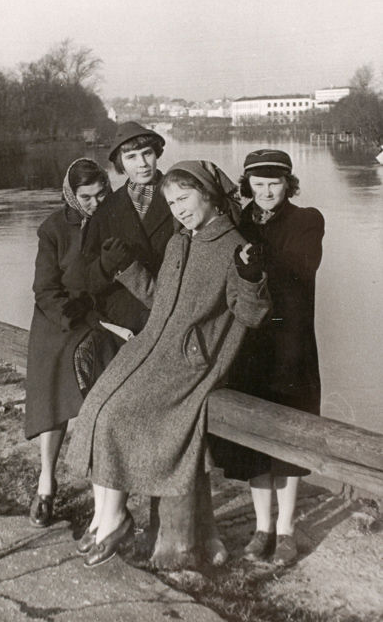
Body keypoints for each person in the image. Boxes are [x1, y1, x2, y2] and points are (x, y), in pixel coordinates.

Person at [65, 160, 271, 568]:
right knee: (97, 406)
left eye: (185, 198)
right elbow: (161, 299)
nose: (178, 208)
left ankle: (115, 519)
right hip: (151, 349)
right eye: (172, 201)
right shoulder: (180, 242)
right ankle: (105, 517)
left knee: (118, 415)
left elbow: (252, 315)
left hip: (190, 362)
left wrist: (250, 278)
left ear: (209, 197)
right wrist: (126, 269)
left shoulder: (235, 248)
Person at [210, 149, 325, 567]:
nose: (266, 192)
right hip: (248, 345)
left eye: (274, 183)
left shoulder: (306, 219)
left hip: (291, 345)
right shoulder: (236, 224)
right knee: (255, 440)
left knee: (290, 436)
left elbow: (302, 267)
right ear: (247, 186)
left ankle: (287, 530)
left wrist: (257, 265)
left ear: (288, 184)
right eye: (257, 185)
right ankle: (262, 527)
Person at [26, 158, 118, 528]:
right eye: (86, 197)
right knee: (51, 382)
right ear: (71, 194)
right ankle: (47, 480)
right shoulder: (53, 228)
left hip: (104, 317)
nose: (95, 203)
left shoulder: (117, 220)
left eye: (101, 194)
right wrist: (71, 314)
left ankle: (105, 495)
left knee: (105, 397)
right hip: (61, 318)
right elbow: (45, 289)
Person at [81, 121, 174, 335]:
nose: (142, 163)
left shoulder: (179, 196)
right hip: (125, 322)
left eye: (147, 153)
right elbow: (87, 280)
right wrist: (104, 265)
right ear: (120, 163)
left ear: (156, 154)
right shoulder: (106, 210)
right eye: (131, 157)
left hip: (171, 312)